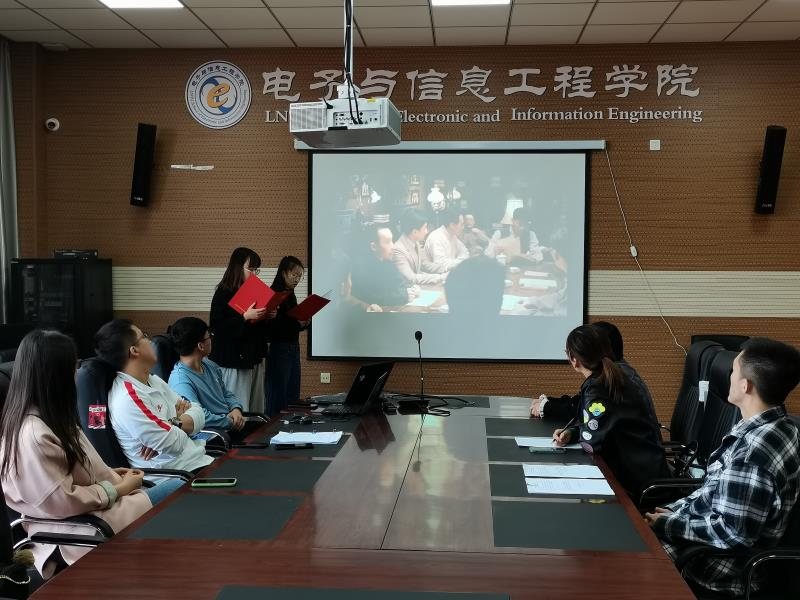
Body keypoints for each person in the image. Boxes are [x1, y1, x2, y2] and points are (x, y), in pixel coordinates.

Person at [0, 330, 179, 578]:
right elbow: (61, 500)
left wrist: (109, 474)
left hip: (95, 512)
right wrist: (119, 488)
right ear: (57, 375)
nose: (77, 374)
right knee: (180, 491)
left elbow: (70, 473)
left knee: (180, 492)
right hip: (80, 528)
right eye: (73, 367)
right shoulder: (33, 434)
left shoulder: (50, 418)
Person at [645, 338, 800, 597]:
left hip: (713, 568)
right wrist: (674, 513)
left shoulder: (752, 455)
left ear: (745, 385)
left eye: (733, 371)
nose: (728, 377)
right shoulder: (777, 425)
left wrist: (668, 525)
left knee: (620, 564)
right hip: (700, 540)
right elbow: (712, 489)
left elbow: (732, 534)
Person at [552, 324, 671, 499]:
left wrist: (579, 434)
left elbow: (591, 442)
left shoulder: (598, 386)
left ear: (574, 359)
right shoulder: (620, 374)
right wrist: (573, 432)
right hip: (647, 470)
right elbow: (601, 425)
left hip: (635, 483)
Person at [97, 319, 213, 473]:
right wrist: (179, 422)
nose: (150, 341)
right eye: (144, 336)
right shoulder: (128, 398)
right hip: (176, 475)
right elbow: (175, 444)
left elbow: (198, 412)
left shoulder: (153, 380)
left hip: (198, 462)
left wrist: (171, 423)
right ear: (134, 351)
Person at [531, 321, 659, 433]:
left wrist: (546, 407)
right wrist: (549, 403)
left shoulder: (614, 378)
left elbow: (583, 413)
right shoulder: (617, 371)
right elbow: (581, 403)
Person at [167, 317, 260, 440]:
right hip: (213, 436)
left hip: (228, 427)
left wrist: (236, 409)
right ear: (200, 346)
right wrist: (229, 422)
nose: (211, 340)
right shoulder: (180, 381)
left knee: (267, 431)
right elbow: (198, 415)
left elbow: (226, 393)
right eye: (209, 336)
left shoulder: (209, 365)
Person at [209, 247, 273, 414]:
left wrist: (266, 316)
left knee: (256, 408)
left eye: (256, 270)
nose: (254, 274)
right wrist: (244, 317)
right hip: (233, 361)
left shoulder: (253, 292)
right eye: (250, 268)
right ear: (237, 267)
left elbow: (259, 329)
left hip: (254, 357)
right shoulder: (223, 292)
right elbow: (217, 328)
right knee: (239, 408)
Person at [266, 256, 309, 417]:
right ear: (284, 273)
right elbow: (274, 328)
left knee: (292, 393)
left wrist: (305, 322)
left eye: (300, 276)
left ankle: (289, 426)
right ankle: (273, 428)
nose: (297, 279)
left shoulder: (290, 294)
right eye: (294, 275)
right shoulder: (273, 294)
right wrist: (298, 324)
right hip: (279, 348)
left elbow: (292, 323)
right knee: (278, 395)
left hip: (293, 347)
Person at [351, 226, 414, 307]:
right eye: (387, 242)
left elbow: (401, 285)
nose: (393, 246)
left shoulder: (388, 262)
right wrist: (404, 296)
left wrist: (409, 291)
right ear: (373, 247)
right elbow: (375, 298)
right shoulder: (361, 268)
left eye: (392, 241)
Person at [393, 208, 446, 285]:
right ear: (415, 232)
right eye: (425, 228)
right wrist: (440, 277)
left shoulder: (416, 242)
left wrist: (445, 270)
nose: (427, 231)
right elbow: (411, 278)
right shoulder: (398, 250)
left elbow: (424, 265)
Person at [423, 207, 468, 272]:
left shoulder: (453, 235)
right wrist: (460, 261)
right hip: (435, 276)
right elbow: (442, 265)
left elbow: (465, 253)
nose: (463, 227)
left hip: (449, 273)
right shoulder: (436, 237)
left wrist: (455, 262)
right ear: (452, 225)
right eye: (462, 224)